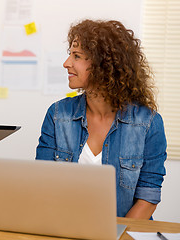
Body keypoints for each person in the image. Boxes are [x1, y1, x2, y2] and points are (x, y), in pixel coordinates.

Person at [36, 19, 167, 218]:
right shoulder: (57, 115)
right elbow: (42, 184)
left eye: (77, 56)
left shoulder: (148, 123)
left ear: (103, 64)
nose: (66, 63)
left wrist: (114, 235)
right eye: (69, 55)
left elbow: (148, 198)